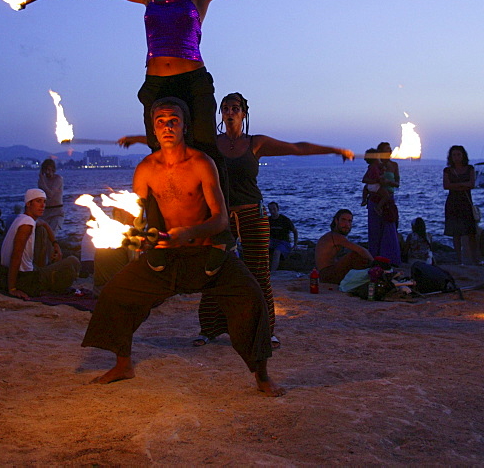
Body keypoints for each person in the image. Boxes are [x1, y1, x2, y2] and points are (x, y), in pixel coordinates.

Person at [53, 0, 323, 197]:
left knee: (205, 148)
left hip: (193, 80)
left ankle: (219, 221)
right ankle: (162, 218)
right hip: (156, 83)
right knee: (159, 149)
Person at [82, 97, 282, 396]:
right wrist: (137, 235)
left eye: (173, 120)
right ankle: (123, 364)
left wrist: (189, 232)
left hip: (207, 252)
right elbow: (138, 218)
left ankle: (262, 376)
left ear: (185, 125)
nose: (167, 126)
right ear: (153, 127)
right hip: (168, 256)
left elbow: (221, 220)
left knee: (251, 298)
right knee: (115, 294)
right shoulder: (146, 169)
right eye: (160, 121)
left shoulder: (202, 163)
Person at [120, 91, 352, 349]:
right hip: (220, 218)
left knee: (259, 274)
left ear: (243, 113)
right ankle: (209, 329)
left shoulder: (256, 143)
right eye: (225, 108)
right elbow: (173, 137)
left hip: (253, 214)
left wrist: (333, 150)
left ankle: (266, 329)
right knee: (213, 270)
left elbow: (297, 148)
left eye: (235, 108)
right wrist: (137, 139)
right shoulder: (212, 142)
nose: (229, 112)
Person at [0, 188, 79, 299]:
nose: (43, 205)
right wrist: (12, 289)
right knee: (74, 261)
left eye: (44, 202)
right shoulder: (27, 224)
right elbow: (16, 255)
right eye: (38, 201)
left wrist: (55, 245)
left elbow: (45, 224)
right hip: (25, 279)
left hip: (16, 273)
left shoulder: (22, 218)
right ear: (28, 203)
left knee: (42, 230)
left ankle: (43, 272)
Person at [362, 146, 401, 265]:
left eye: (389, 150)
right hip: (375, 198)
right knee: (375, 230)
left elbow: (397, 183)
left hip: (388, 200)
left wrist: (388, 182)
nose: (388, 152)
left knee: (389, 228)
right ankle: (374, 257)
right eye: (384, 150)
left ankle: (390, 258)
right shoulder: (375, 167)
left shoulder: (393, 165)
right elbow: (366, 180)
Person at [443, 145, 480, 264]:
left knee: (470, 232)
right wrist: (463, 184)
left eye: (458, 154)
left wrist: (457, 185)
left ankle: (474, 259)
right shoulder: (447, 170)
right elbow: (446, 185)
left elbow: (472, 184)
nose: (456, 157)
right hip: (453, 203)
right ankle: (459, 260)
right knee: (456, 233)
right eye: (454, 155)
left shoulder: (470, 168)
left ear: (463, 155)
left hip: (466, 202)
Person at [315, 209, 373, 285]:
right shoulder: (335, 236)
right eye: (343, 220)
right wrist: (374, 262)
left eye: (349, 221)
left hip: (327, 273)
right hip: (327, 275)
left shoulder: (333, 235)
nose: (346, 224)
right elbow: (361, 250)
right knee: (355, 255)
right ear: (336, 221)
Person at [267, 201, 298, 273]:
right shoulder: (268, 220)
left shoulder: (285, 220)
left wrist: (295, 244)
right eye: (270, 209)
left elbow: (295, 231)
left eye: (274, 209)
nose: (272, 211)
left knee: (277, 252)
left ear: (278, 209)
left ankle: (273, 272)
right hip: (272, 241)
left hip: (284, 242)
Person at [38, 158, 65, 237]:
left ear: (53, 169)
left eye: (49, 170)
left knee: (52, 234)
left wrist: (43, 181)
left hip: (57, 211)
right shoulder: (42, 180)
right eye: (46, 170)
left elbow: (50, 194)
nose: (47, 172)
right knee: (42, 235)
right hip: (45, 212)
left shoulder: (58, 179)